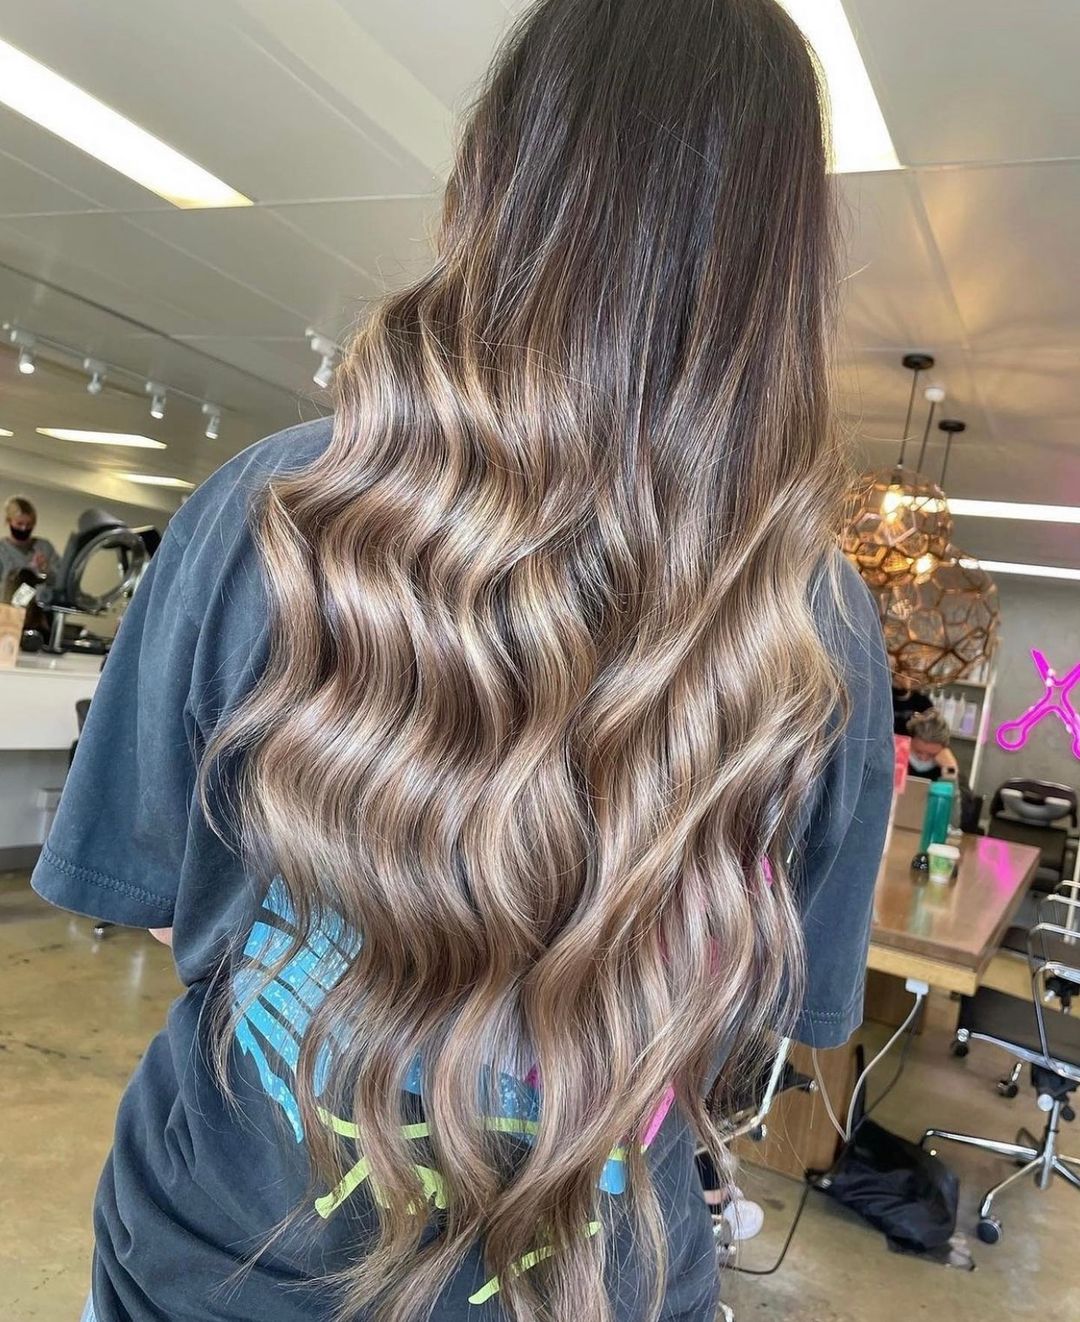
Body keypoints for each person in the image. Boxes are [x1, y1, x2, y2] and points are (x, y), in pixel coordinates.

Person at [32, 2, 893, 1319]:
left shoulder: (270, 509)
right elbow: (754, 1026)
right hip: (585, 1278)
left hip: (218, 1255)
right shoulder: (820, 627)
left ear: (494, 175)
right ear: (787, 263)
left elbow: (172, 907)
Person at [0, 495, 58, 600]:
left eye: (29, 524)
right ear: (9, 521)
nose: (24, 528)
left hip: (41, 607)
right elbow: (14, 597)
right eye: (19, 524)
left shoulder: (44, 547)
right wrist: (31, 571)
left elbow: (59, 582)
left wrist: (46, 571)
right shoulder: (2, 551)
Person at [906, 709, 960, 782]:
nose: (923, 758)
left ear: (943, 749)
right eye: (918, 752)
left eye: (931, 754)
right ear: (910, 741)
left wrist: (950, 769)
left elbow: (961, 789)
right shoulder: (895, 757)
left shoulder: (948, 761)